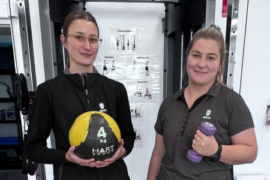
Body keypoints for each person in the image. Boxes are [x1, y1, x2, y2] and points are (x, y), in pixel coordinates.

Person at [26, 11, 135, 180]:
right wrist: (66, 157)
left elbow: (128, 136)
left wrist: (122, 151)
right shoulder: (49, 91)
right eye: (79, 37)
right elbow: (32, 149)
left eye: (93, 39)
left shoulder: (116, 89)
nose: (87, 46)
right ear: (64, 41)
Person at [147, 25, 257, 180]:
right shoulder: (169, 103)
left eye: (210, 58)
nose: (201, 64)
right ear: (188, 57)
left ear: (221, 65)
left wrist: (216, 150)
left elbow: (251, 152)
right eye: (196, 55)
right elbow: (158, 154)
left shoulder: (232, 102)